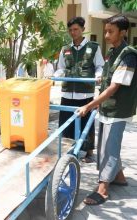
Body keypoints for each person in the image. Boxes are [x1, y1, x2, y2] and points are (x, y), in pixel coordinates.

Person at [77, 15, 137, 205]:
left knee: (109, 148)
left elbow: (114, 87)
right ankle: (118, 177)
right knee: (106, 143)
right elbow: (107, 79)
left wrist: (89, 105)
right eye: (106, 31)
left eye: (111, 31)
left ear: (124, 32)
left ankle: (103, 189)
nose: (106, 35)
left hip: (118, 109)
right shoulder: (113, 52)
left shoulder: (128, 55)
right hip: (107, 108)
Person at [54, 16, 105, 163]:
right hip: (67, 92)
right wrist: (53, 76)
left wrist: (98, 76)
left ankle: (88, 152)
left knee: (86, 122)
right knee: (66, 122)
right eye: (70, 30)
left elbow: (99, 66)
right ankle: (66, 149)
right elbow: (61, 69)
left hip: (85, 93)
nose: (73, 32)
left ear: (82, 29)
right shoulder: (65, 49)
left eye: (76, 29)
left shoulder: (93, 47)